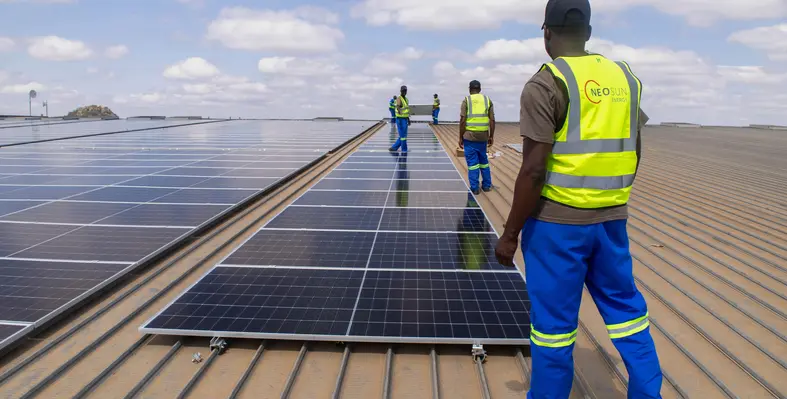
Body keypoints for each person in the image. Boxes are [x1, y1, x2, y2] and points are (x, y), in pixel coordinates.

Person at [494, 0, 663, 398]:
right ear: (587, 32)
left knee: (553, 329)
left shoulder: (545, 83)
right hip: (611, 222)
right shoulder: (624, 78)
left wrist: (510, 234)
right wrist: (613, 197)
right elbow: (634, 148)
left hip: (556, 227)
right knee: (627, 314)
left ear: (546, 33)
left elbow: (533, 170)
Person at [459, 80, 495, 195]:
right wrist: (491, 136)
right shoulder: (487, 100)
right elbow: (492, 120)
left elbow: (463, 120)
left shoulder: (466, 100)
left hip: (469, 137)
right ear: (480, 89)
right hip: (483, 136)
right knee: (484, 161)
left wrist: (460, 137)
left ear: (470, 89)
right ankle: (487, 186)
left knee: (472, 163)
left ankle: (475, 188)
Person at [389, 85, 410, 153]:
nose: (404, 92)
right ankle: (404, 150)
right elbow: (398, 107)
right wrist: (399, 112)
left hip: (405, 119)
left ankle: (394, 147)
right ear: (400, 91)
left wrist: (408, 119)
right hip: (400, 119)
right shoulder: (399, 98)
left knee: (403, 135)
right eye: (403, 90)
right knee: (403, 136)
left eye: (405, 91)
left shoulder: (406, 99)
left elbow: (406, 110)